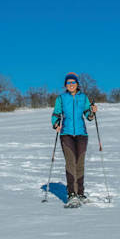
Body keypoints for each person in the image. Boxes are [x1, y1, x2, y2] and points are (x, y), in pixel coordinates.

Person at [51, 72, 98, 206]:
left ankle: (80, 193)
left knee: (80, 163)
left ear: (77, 84)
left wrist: (92, 112)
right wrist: (56, 123)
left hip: (82, 134)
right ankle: (72, 194)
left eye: (73, 82)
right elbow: (56, 113)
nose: (71, 84)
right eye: (68, 82)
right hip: (66, 134)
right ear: (65, 85)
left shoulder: (83, 97)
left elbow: (88, 115)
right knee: (71, 163)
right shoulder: (61, 98)